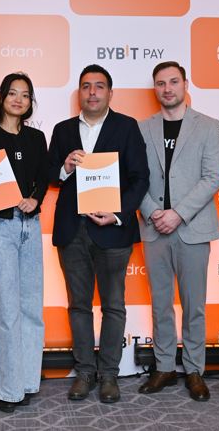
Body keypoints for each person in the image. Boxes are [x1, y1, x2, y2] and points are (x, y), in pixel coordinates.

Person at [48, 64, 149, 403]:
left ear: (109, 93)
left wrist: (118, 214)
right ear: (79, 92)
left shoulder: (127, 127)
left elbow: (140, 178)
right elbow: (49, 174)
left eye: (99, 86)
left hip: (113, 230)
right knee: (78, 305)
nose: (92, 92)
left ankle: (109, 375)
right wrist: (64, 167)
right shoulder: (63, 130)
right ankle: (84, 372)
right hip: (72, 229)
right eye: (86, 86)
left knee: (113, 306)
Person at [137, 61, 219, 401]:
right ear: (155, 89)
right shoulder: (142, 129)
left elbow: (212, 177)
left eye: (173, 81)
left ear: (185, 84)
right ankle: (163, 367)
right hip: (153, 227)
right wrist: (153, 211)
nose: (167, 88)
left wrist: (178, 214)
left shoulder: (208, 126)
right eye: (161, 83)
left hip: (192, 228)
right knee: (160, 304)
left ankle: (194, 370)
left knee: (194, 305)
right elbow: (135, 177)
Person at [0, 72, 48, 413]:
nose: (18, 99)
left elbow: (43, 176)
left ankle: (25, 382)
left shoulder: (37, 137)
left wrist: (36, 199)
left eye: (25, 95)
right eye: (12, 93)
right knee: (6, 310)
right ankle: (5, 388)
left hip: (29, 224)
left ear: (30, 102)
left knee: (31, 307)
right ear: (1, 97)